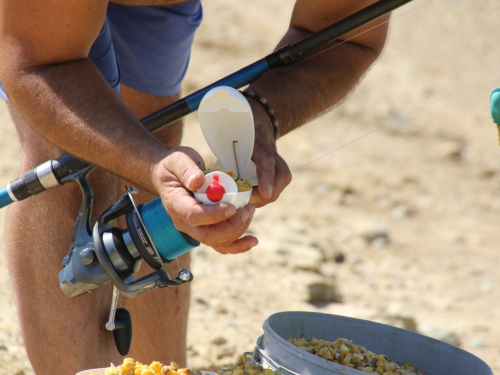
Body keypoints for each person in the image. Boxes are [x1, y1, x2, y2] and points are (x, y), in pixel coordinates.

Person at [0, 1, 390, 374]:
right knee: (75, 163)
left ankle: (160, 367)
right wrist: (149, 164)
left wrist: (261, 113)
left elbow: (350, 33)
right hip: (44, 32)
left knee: (154, 131)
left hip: (156, 7)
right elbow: (41, 64)